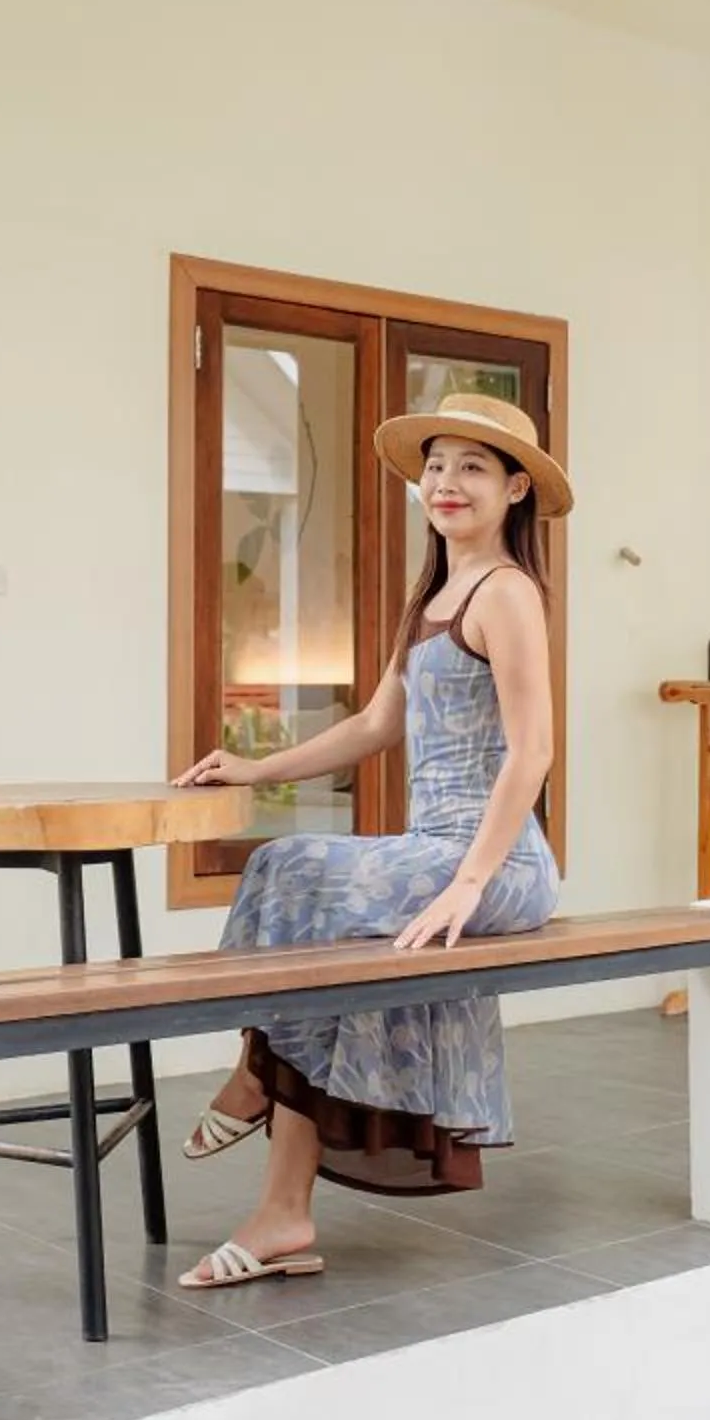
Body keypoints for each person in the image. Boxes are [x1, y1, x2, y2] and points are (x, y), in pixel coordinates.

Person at [167, 392, 567, 1292]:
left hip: (498, 863)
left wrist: (470, 881)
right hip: (434, 848)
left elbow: (533, 752)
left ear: (513, 490)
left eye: (472, 467)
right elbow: (375, 725)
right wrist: (255, 768)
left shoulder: (508, 594)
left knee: (302, 876)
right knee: (294, 886)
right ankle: (281, 1200)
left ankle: (257, 1090)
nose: (446, 482)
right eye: (435, 465)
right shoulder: (432, 593)